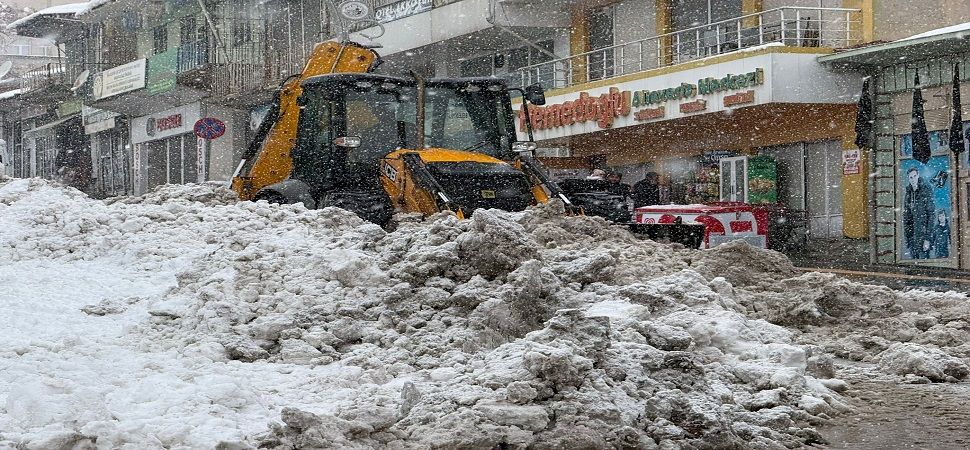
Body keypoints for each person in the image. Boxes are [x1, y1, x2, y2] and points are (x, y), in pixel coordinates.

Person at [903, 167, 935, 259]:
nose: (913, 179)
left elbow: (931, 215)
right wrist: (908, 238)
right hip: (912, 237)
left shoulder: (925, 190)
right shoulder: (908, 193)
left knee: (924, 264)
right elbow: (906, 216)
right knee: (913, 264)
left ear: (918, 175)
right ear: (908, 179)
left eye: (914, 176)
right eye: (911, 177)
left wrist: (927, 239)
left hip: (923, 237)